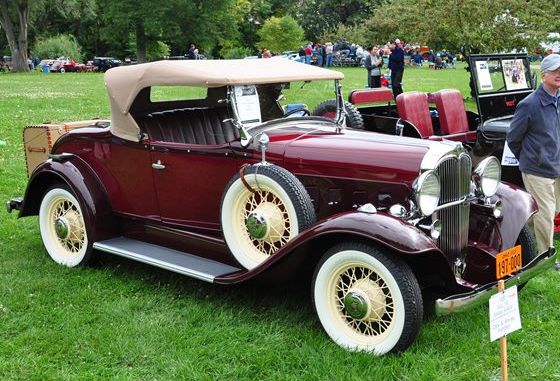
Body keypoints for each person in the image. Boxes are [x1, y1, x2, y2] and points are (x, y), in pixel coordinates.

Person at [506, 53, 560, 266]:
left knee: (551, 209)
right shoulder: (530, 104)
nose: (559, 75)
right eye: (555, 71)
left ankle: (518, 236)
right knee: (546, 213)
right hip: (538, 169)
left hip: (556, 165)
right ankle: (545, 258)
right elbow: (513, 138)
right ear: (543, 74)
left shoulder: (558, 99)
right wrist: (531, 160)